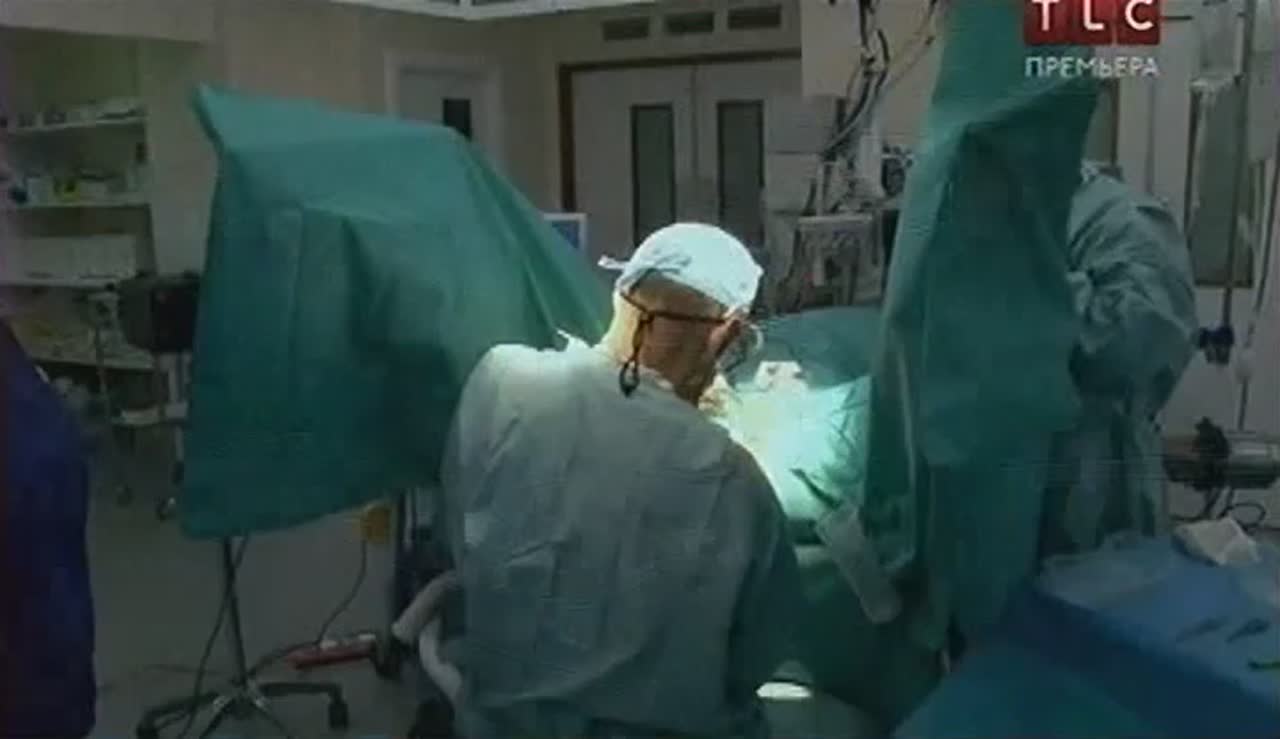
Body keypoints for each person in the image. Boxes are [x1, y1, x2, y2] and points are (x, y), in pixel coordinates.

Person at [439, 223, 800, 738]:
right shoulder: (731, 479)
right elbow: (755, 657)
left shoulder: (501, 380)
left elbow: (463, 532)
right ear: (726, 333)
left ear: (621, 293)